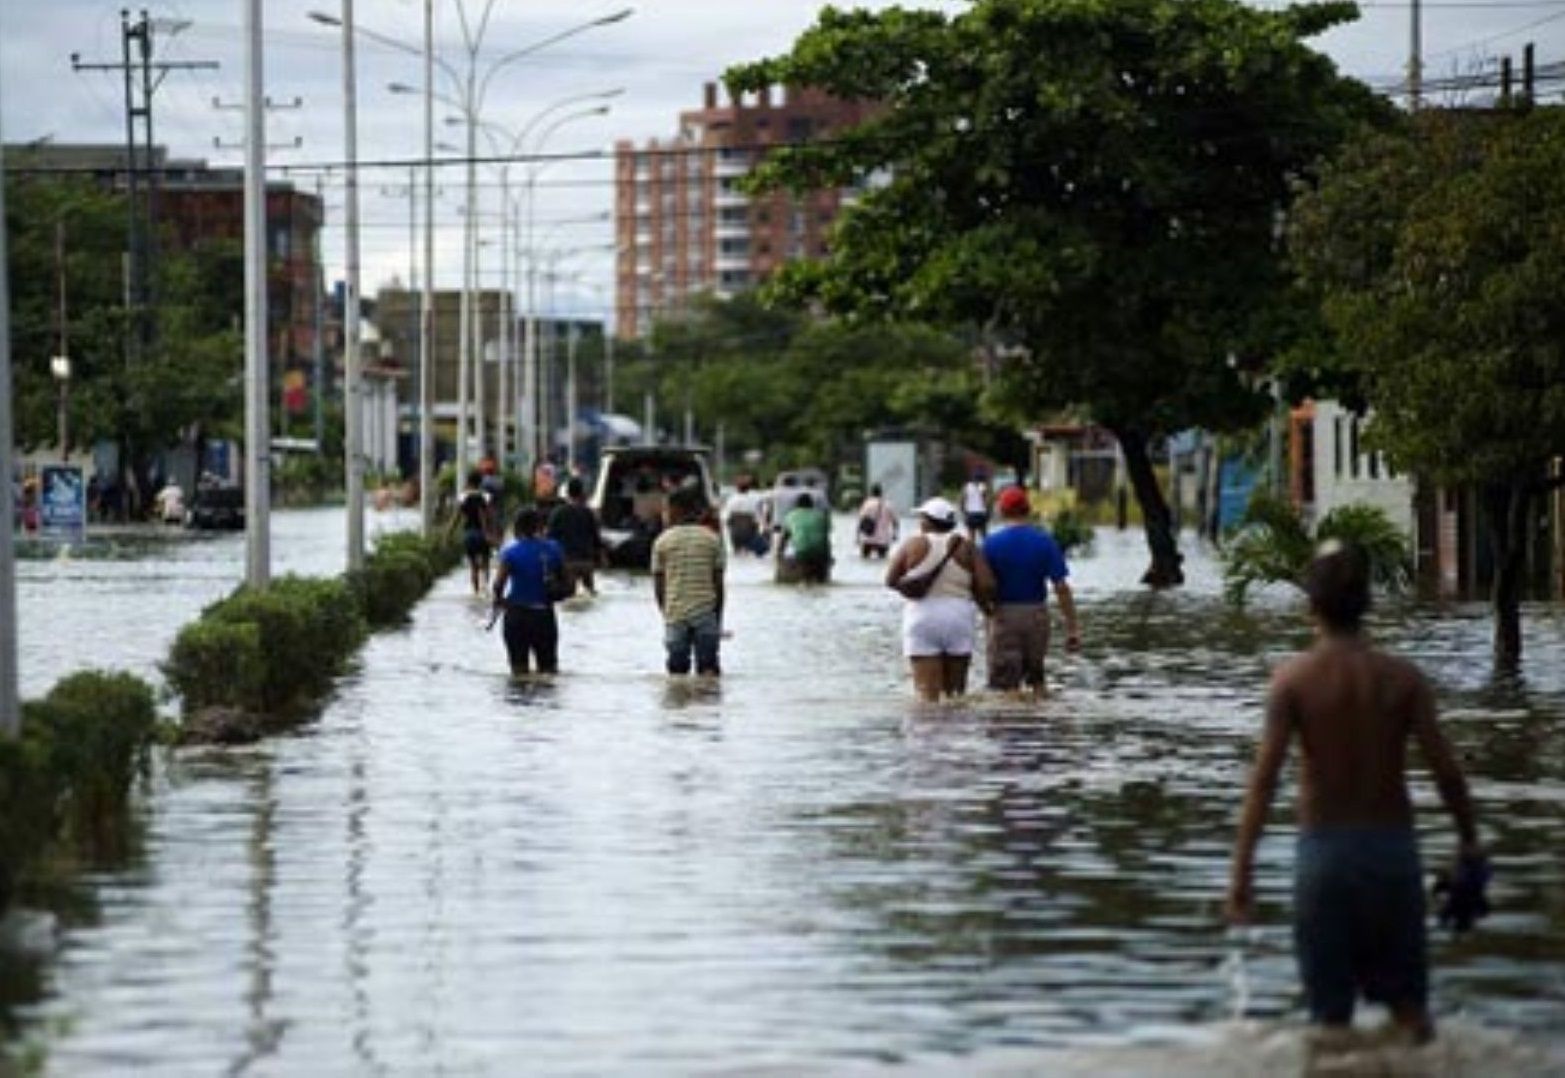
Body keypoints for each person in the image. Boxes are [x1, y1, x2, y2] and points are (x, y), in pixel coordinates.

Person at [1226, 541, 1482, 1044]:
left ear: (1310, 606)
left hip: (1324, 857)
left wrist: (1241, 874)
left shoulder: (1293, 680)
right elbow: (1447, 772)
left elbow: (1264, 781)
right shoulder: (1402, 679)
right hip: (1392, 855)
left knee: (1330, 1028)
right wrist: (1469, 841)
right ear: (1368, 604)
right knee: (1412, 1016)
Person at [885, 496, 996, 702]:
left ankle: (928, 732)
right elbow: (987, 585)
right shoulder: (967, 547)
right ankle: (954, 732)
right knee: (956, 695)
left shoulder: (913, 545)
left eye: (922, 518)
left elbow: (890, 579)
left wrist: (911, 587)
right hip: (958, 617)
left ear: (928, 521)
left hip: (922, 616)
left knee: (926, 695)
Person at [981, 485, 1080, 693]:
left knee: (1004, 687)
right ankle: (1037, 723)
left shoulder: (990, 544)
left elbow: (981, 584)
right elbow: (1061, 587)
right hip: (1037, 615)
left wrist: (986, 611)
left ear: (1002, 510)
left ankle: (1011, 722)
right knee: (1037, 680)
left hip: (1003, 615)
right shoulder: (1045, 542)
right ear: (1027, 509)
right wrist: (1072, 627)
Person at [652, 484, 726, 677]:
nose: (663, 515)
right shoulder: (712, 539)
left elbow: (659, 586)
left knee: (677, 673)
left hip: (675, 615)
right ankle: (710, 705)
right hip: (706, 613)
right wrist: (717, 618)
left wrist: (666, 613)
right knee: (709, 671)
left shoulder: (662, 541)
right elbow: (718, 584)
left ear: (676, 511)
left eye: (666, 510)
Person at [491, 507, 566, 676]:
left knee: (518, 672)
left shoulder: (509, 552)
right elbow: (568, 582)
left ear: (517, 528)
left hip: (517, 616)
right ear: (539, 526)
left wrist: (500, 600)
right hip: (544, 616)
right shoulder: (554, 549)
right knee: (548, 670)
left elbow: (498, 585)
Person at [546, 477, 603, 597]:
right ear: (582, 492)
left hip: (567, 562)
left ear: (567, 493)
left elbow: (549, 539)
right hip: (586, 562)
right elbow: (596, 538)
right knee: (591, 593)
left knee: (568, 595)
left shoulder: (558, 513)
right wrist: (601, 557)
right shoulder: (588, 513)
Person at [447, 469, 496, 595]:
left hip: (469, 534)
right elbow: (489, 517)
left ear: (468, 482)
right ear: (480, 482)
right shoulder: (486, 496)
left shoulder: (463, 497)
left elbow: (455, 518)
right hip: (482, 534)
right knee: (486, 563)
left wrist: (448, 534)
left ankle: (476, 592)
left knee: (473, 566)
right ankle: (485, 588)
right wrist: (492, 534)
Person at [778, 491, 832, 583]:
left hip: (802, 554)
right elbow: (826, 538)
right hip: (821, 555)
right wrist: (828, 558)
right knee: (821, 578)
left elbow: (784, 539)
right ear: (812, 505)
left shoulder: (790, 516)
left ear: (797, 506)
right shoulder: (821, 516)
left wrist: (779, 555)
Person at [724, 476, 769, 556]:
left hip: (735, 534)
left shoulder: (731, 500)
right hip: (750, 532)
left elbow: (727, 519)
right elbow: (760, 515)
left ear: (737, 488)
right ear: (749, 488)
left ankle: (738, 548)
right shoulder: (756, 498)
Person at [856, 483, 899, 559]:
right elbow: (895, 522)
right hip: (883, 540)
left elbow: (861, 521)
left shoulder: (867, 504)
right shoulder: (888, 505)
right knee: (882, 559)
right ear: (881, 493)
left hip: (868, 538)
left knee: (865, 559)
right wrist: (895, 535)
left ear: (871, 492)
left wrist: (857, 536)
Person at [961, 472, 991, 541]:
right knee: (984, 535)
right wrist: (988, 512)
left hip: (970, 513)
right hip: (981, 513)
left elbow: (962, 500)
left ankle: (971, 550)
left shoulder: (967, 486)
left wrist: (964, 511)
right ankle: (986, 549)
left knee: (971, 535)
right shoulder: (983, 486)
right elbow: (986, 501)